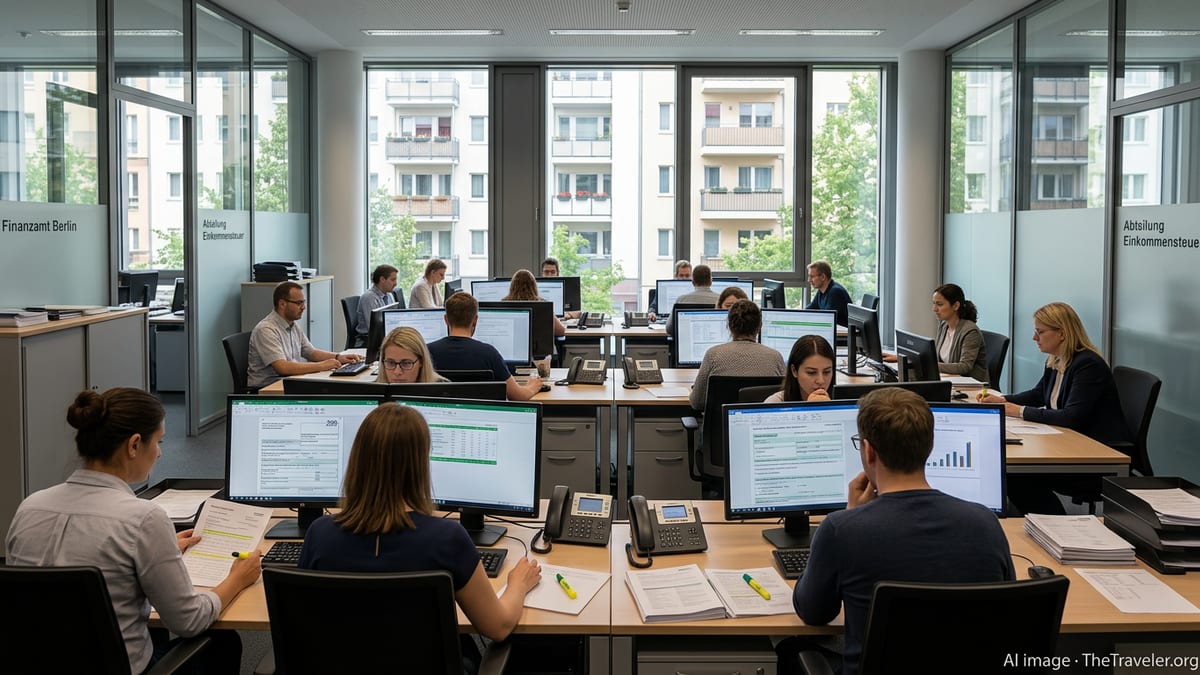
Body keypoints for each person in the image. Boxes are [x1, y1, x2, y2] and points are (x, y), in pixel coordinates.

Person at [5, 388, 262, 674]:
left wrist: (161, 549)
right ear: (134, 445)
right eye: (159, 441)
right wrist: (237, 579)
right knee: (223, 642)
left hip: (38, 664)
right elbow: (189, 622)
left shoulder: (29, 508)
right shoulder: (143, 519)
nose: (161, 452)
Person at [789, 388, 1014, 675]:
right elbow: (1006, 614)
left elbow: (813, 613)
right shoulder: (985, 524)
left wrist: (850, 515)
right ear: (929, 447)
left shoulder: (842, 530)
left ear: (869, 450)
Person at [299, 403, 542, 646]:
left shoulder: (319, 534)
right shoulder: (447, 539)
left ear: (358, 460)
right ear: (419, 465)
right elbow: (497, 627)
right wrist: (518, 585)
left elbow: (304, 621)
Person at [980, 302, 1129, 515]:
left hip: (1091, 455)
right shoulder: (1057, 360)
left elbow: (1070, 417)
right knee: (1011, 472)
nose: (1034, 338)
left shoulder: (1088, 365)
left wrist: (1017, 410)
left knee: (1015, 476)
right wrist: (1002, 401)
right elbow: (1038, 395)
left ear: (1061, 333)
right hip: (1068, 442)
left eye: (1040, 332)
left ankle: (1055, 523)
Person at [427, 292, 544, 400]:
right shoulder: (489, 353)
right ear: (475, 320)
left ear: (446, 319)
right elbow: (518, 396)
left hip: (438, 418)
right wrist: (533, 385)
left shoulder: (427, 352)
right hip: (481, 419)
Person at [248, 281, 363, 389]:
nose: (303, 307)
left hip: (289, 381)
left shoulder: (293, 325)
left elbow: (311, 353)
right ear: (282, 304)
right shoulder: (266, 329)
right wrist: (322, 365)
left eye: (303, 302)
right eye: (299, 303)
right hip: (268, 387)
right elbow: (282, 367)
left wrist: (339, 357)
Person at [689, 299, 786, 410]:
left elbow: (696, 403)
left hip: (720, 427)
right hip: (760, 425)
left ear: (729, 326)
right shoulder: (775, 357)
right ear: (760, 326)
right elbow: (786, 398)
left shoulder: (713, 355)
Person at [931, 283, 989, 382]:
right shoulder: (943, 326)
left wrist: (931, 365)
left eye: (939, 304)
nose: (934, 309)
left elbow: (965, 367)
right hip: (951, 381)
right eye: (934, 303)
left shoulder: (970, 331)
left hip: (971, 386)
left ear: (956, 306)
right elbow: (935, 358)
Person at [765, 335, 835, 403]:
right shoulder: (774, 404)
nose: (821, 381)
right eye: (811, 373)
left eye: (826, 372)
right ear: (794, 371)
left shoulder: (842, 403)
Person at [505, 268, 565, 337]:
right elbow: (561, 331)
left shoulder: (503, 304)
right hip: (541, 347)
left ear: (512, 286)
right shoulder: (543, 305)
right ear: (534, 285)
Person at [376, 326, 445, 383]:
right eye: (391, 363)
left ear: (421, 361)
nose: (397, 372)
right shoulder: (371, 392)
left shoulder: (444, 391)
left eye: (406, 363)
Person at [666, 264, 720, 335]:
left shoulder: (681, 300)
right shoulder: (720, 299)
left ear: (693, 282)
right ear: (711, 281)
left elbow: (669, 329)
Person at [356, 264, 399, 340]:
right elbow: (373, 327)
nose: (396, 283)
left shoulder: (389, 295)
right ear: (382, 279)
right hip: (369, 339)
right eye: (392, 280)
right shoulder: (369, 298)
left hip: (385, 335)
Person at [806, 260, 853, 326]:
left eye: (812, 276)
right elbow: (810, 309)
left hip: (842, 334)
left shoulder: (835, 292)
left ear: (823, 277)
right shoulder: (821, 290)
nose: (809, 280)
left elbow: (826, 319)